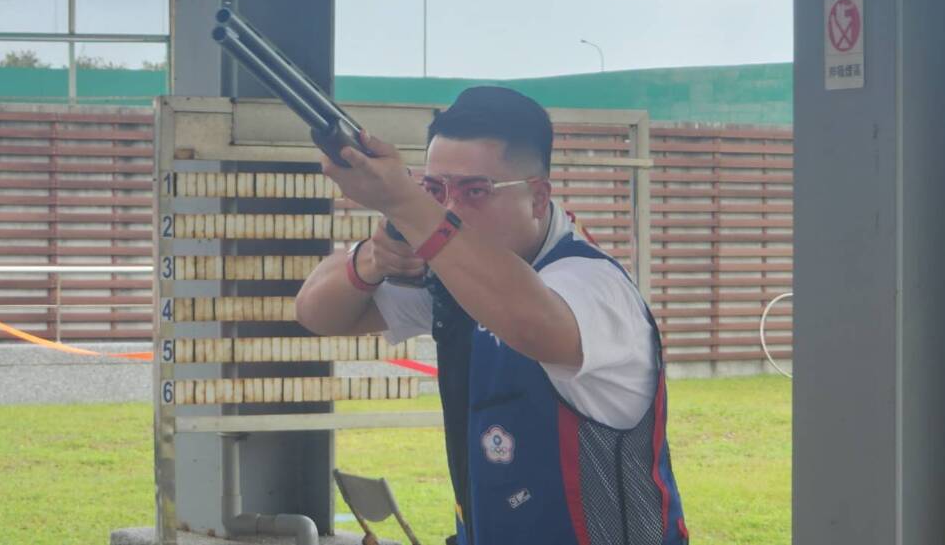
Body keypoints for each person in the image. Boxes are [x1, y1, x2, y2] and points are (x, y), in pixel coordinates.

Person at [295, 86, 689, 545]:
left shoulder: (593, 286)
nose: (449, 210)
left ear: (539, 198)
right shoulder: (458, 276)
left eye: (474, 191)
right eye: (435, 190)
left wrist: (406, 205)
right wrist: (373, 259)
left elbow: (531, 324)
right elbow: (316, 312)